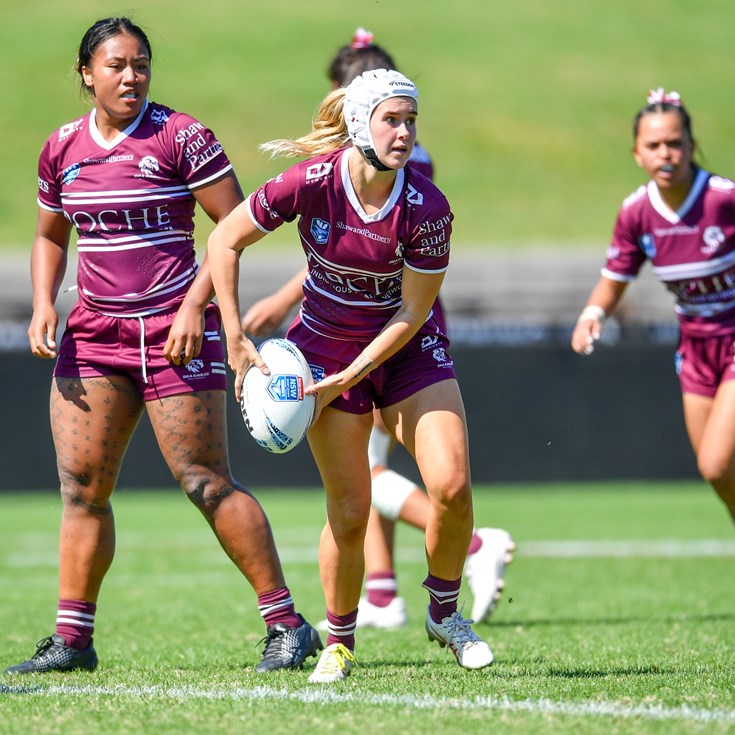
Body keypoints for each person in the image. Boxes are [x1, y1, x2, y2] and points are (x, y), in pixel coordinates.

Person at [4, 17, 322, 676]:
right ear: (85, 73)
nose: (130, 75)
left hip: (176, 334)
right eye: (115, 64)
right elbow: (50, 234)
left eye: (140, 63)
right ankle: (72, 638)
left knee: (204, 481)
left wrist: (191, 305)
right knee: (83, 489)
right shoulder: (62, 147)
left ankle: (289, 625)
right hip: (94, 336)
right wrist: (43, 300)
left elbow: (233, 229)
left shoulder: (183, 137)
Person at [208, 67, 496, 683]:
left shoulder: (428, 206)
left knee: (451, 485)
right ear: (359, 124)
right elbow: (225, 241)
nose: (404, 132)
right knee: (349, 510)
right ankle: (339, 641)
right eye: (392, 119)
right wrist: (234, 334)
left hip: (406, 351)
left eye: (411, 120)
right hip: (321, 353)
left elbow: (414, 311)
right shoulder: (311, 182)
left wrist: (355, 375)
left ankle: (444, 613)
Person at [572, 87, 735, 526]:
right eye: (654, 145)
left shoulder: (724, 199)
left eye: (675, 143)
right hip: (697, 350)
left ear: (692, 146)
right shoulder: (637, 213)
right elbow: (615, 277)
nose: (667, 153)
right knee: (720, 475)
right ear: (637, 154)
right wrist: (593, 314)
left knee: (717, 463)